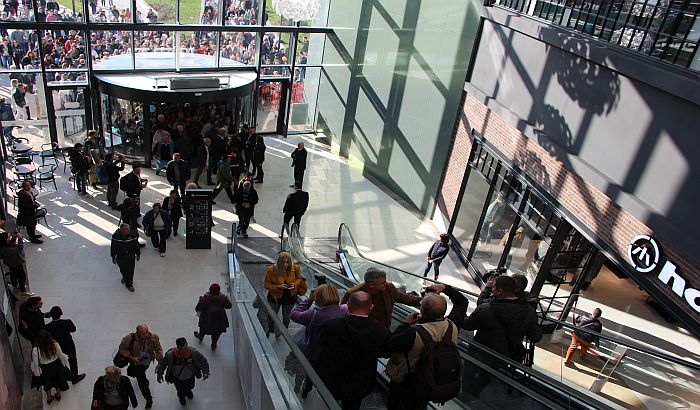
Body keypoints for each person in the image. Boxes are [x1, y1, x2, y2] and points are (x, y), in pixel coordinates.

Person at [385, 283, 468, 409]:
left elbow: (390, 344)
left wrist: (405, 324)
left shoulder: (413, 332)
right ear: (444, 310)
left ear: (422, 311)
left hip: (407, 384)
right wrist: (445, 288)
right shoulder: (453, 325)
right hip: (431, 381)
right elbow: (462, 302)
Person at [462, 276, 542, 394]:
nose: (492, 290)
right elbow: (536, 336)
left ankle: (465, 395)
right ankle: (473, 395)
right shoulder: (529, 311)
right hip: (503, 355)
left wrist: (460, 313)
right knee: (486, 376)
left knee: (469, 373)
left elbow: (468, 325)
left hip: (479, 350)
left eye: (493, 288)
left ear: (499, 292)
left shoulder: (486, 308)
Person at [316, 291, 391, 409]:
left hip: (332, 375)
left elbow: (321, 343)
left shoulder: (331, 324)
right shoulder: (381, 332)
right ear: (371, 307)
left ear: (348, 306)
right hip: (361, 381)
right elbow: (384, 353)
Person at [290, 284, 348, 397]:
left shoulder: (314, 314)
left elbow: (294, 314)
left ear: (318, 297)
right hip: (337, 353)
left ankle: (304, 390)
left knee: (309, 372)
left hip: (316, 352)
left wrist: (310, 299)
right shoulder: (346, 309)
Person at [341, 268, 422, 328]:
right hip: (362, 332)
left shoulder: (389, 288)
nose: (386, 284)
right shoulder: (352, 293)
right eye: (382, 283)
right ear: (371, 285)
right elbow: (343, 313)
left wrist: (424, 301)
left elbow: (405, 298)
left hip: (384, 330)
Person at [118, 324, 164, 409]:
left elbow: (158, 348)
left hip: (146, 360)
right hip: (135, 361)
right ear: (137, 333)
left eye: (147, 332)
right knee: (132, 373)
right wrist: (131, 357)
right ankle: (144, 382)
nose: (146, 335)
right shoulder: (129, 338)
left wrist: (160, 360)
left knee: (142, 383)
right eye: (143, 333)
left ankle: (148, 399)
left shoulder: (153, 337)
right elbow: (122, 349)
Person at [156, 338, 210, 405]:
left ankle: (188, 391)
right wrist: (160, 374)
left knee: (191, 386)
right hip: (177, 378)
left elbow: (203, 361)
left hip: (190, 376)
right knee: (180, 391)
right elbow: (163, 364)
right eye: (182, 349)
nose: (184, 351)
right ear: (177, 348)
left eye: (185, 348)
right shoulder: (170, 355)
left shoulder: (193, 353)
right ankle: (182, 398)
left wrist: (205, 372)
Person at [263, 252, 304, 338]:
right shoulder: (271, 270)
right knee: (272, 315)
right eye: (283, 262)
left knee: (286, 316)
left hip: (290, 296)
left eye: (287, 262)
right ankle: (271, 330)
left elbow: (299, 278)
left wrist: (295, 284)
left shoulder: (295, 268)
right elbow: (266, 285)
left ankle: (282, 332)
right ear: (279, 262)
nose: (285, 264)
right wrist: (278, 287)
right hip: (275, 297)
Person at [45, 306, 86, 384]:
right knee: (72, 360)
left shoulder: (48, 327)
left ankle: (62, 378)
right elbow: (73, 329)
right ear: (61, 314)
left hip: (56, 346)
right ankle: (74, 376)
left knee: (59, 361)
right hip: (68, 344)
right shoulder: (67, 322)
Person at [31, 330, 70, 404]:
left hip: (45, 368)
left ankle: (49, 397)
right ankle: (58, 395)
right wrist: (65, 364)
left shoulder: (36, 350)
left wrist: (37, 373)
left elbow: (35, 364)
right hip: (57, 366)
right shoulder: (55, 345)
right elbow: (61, 355)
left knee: (47, 383)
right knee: (57, 380)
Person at [194, 283, 233, 351]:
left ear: (210, 290)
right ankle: (213, 344)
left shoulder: (205, 298)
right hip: (219, 320)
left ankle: (200, 336)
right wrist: (228, 298)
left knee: (203, 328)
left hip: (206, 319)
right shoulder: (223, 298)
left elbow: (198, 308)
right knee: (217, 333)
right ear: (219, 290)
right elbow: (229, 306)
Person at [111, 223, 141, 292]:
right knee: (122, 268)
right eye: (126, 229)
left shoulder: (133, 236)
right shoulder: (116, 236)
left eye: (128, 229)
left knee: (130, 270)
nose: (128, 230)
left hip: (130, 256)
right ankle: (124, 276)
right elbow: (113, 247)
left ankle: (129, 284)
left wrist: (138, 254)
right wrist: (113, 256)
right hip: (120, 256)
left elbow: (136, 245)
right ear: (121, 230)